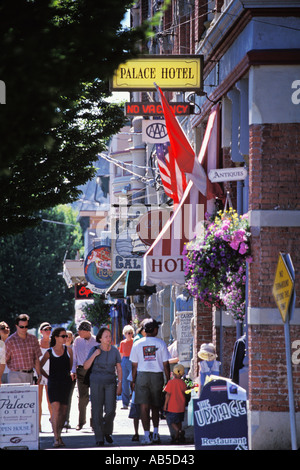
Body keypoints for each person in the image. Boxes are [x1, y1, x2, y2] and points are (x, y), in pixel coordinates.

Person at [130, 317, 170, 445]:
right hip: (157, 376)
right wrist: (168, 380)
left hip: (142, 375)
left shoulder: (137, 344)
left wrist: (133, 380)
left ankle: (146, 435)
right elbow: (166, 365)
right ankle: (156, 433)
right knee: (155, 406)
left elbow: (134, 365)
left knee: (143, 406)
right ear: (154, 330)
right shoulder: (161, 343)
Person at [83, 327, 122, 446]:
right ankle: (99, 437)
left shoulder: (115, 351)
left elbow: (119, 368)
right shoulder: (94, 349)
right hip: (96, 382)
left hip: (110, 382)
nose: (109, 338)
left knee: (111, 410)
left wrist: (120, 383)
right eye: (106, 336)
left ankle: (106, 431)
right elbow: (85, 366)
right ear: (100, 338)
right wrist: (94, 355)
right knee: (97, 410)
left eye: (110, 336)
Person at [40, 327, 73, 448]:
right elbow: (40, 366)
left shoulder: (69, 350)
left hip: (65, 382)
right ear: (56, 337)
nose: (65, 338)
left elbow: (70, 367)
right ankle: (56, 438)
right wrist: (47, 376)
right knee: (56, 408)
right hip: (53, 382)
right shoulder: (49, 352)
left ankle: (59, 435)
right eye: (63, 336)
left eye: (66, 336)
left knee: (64, 411)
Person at [71, 320, 98, 430]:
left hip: (94, 371)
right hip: (81, 371)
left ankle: (94, 423)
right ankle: (81, 422)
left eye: (80, 331)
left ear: (87, 331)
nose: (78, 332)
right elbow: (74, 356)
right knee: (82, 398)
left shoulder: (97, 341)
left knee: (95, 397)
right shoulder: (77, 340)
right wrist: (73, 370)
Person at [5, 314, 42, 384]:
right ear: (16, 326)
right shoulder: (10, 341)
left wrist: (39, 373)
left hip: (30, 374)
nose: (24, 329)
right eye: (21, 327)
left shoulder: (33, 339)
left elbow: (36, 359)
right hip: (15, 375)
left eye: (26, 326)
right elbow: (3, 360)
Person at [163, 363, 187, 443]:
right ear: (183, 374)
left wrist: (165, 405)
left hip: (172, 406)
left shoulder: (170, 382)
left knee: (171, 421)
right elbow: (185, 392)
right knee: (179, 421)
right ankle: (177, 437)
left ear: (173, 373)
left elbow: (168, 394)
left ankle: (178, 431)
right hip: (181, 406)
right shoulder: (183, 383)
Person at [38, 322, 52, 432]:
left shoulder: (54, 343)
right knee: (38, 400)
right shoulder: (37, 343)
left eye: (49, 328)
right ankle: (38, 425)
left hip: (50, 373)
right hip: (38, 373)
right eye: (45, 329)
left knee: (50, 400)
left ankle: (54, 424)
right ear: (41, 331)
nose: (48, 330)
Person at [119, 324, 134, 410]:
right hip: (124, 360)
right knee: (124, 381)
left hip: (132, 360)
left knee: (132, 381)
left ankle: (134, 402)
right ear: (124, 334)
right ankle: (125, 403)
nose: (129, 334)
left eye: (130, 333)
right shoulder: (122, 343)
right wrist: (119, 366)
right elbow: (121, 354)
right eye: (127, 333)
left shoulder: (134, 341)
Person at [65, 330, 75, 429]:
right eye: (65, 336)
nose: (67, 338)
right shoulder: (60, 348)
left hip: (71, 376)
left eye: (69, 336)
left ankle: (66, 420)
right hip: (61, 377)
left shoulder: (74, 348)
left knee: (68, 399)